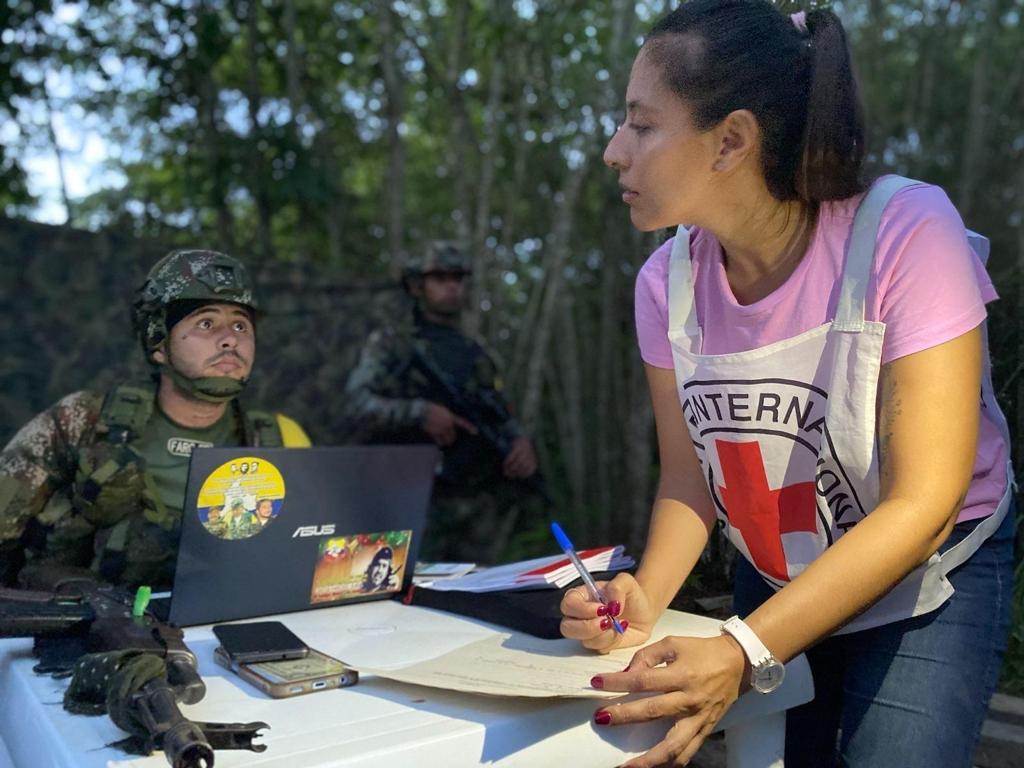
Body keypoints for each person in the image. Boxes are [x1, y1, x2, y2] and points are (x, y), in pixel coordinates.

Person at [559, 3, 1015, 767]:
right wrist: (643, 595)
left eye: (640, 125)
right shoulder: (663, 286)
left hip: (932, 574)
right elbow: (689, 480)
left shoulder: (907, 233)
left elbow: (925, 505)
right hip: (780, 568)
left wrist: (742, 648)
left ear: (731, 140)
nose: (613, 151)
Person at [0, 249, 311, 591]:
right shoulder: (80, 421)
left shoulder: (281, 438)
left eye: (241, 325)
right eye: (206, 323)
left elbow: (309, 554)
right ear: (158, 342)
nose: (230, 339)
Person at [344, 240, 540, 563]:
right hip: (407, 500)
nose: (451, 286)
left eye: (458, 278)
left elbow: (500, 411)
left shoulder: (476, 352)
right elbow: (355, 405)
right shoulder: (394, 344)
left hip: (474, 506)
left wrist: (520, 440)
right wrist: (419, 413)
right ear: (418, 285)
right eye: (440, 277)